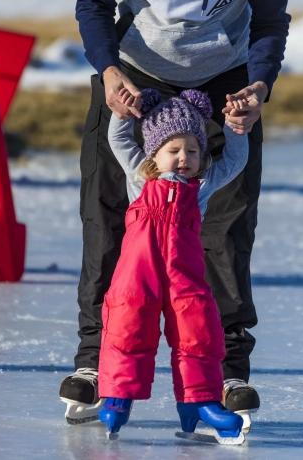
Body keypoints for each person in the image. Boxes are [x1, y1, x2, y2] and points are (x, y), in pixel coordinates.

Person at [59, 0, 290, 430]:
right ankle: (93, 361)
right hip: (137, 72)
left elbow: (270, 20)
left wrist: (257, 87)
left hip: (225, 76)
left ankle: (231, 368)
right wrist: (108, 71)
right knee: (108, 213)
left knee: (228, 219)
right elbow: (93, 2)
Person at [97, 87, 248, 444]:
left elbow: (234, 162)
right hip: (138, 275)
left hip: (185, 276)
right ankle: (118, 395)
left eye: (192, 150)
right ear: (154, 154)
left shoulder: (202, 188)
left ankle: (201, 401)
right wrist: (122, 112)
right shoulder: (140, 178)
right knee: (127, 324)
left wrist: (235, 130)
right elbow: (118, 140)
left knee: (199, 329)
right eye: (174, 150)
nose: (184, 157)